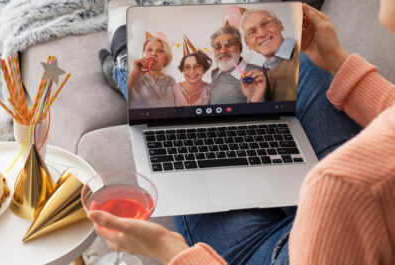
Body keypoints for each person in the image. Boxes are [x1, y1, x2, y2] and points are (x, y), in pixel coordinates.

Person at [87, 2, 395, 265]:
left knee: (159, 106)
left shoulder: (340, 188)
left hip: (290, 248)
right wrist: (335, 59)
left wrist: (171, 252)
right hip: (342, 200)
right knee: (304, 62)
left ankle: (123, 62)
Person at [240, 8, 300, 102]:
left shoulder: (306, 53)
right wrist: (255, 101)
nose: (261, 34)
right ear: (248, 44)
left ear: (280, 25)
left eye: (265, 24)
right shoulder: (263, 72)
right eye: (252, 32)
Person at [209, 25, 269, 104]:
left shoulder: (257, 73)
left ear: (240, 47)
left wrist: (254, 102)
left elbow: (266, 112)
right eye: (217, 47)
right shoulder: (214, 74)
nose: (223, 51)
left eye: (229, 44)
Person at [127, 31, 176, 109]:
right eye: (149, 49)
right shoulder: (132, 77)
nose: (153, 53)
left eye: (160, 50)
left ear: (166, 59)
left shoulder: (171, 81)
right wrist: (133, 75)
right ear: (143, 54)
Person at [173, 35, 212, 106]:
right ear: (182, 69)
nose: (192, 71)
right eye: (187, 67)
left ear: (204, 68)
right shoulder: (174, 89)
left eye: (196, 66)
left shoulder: (211, 90)